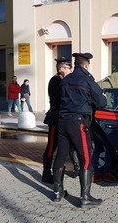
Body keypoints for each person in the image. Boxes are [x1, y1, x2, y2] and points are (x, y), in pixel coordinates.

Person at [52, 52, 107, 206]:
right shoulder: (87, 80)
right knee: (86, 159)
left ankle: (57, 193)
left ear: (75, 64)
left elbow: (57, 102)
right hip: (78, 123)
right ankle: (85, 198)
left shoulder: (64, 81)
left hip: (62, 123)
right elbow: (101, 102)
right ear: (86, 64)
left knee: (60, 156)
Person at [42, 56, 80, 184]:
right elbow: (60, 98)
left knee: (69, 145)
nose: (71, 70)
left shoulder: (65, 80)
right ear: (62, 68)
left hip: (64, 119)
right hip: (55, 118)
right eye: (69, 68)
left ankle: (76, 168)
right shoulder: (55, 80)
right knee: (52, 147)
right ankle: (46, 173)